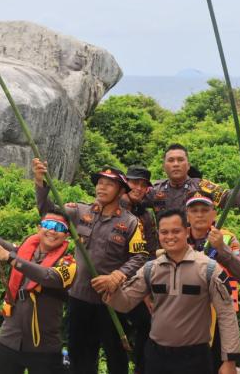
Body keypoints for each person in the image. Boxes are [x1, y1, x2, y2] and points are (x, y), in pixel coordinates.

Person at [33, 159, 148, 374]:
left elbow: (140, 255)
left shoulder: (131, 222)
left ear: (121, 190)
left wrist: (118, 275)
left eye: (109, 184)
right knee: (79, 355)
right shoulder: (79, 211)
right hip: (79, 298)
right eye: (100, 182)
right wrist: (40, 183)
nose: (102, 187)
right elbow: (48, 212)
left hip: (111, 300)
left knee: (116, 356)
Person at [103, 208, 240, 374]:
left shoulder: (209, 269)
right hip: (157, 356)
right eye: (164, 232)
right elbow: (125, 304)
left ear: (187, 231)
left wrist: (229, 361)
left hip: (195, 358)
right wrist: (112, 288)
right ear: (158, 235)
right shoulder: (151, 269)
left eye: (176, 231)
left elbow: (226, 314)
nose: (169, 237)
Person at [0, 194, 77, 374]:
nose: (52, 231)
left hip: (44, 346)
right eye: (48, 225)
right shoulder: (22, 250)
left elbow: (48, 276)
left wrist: (11, 259)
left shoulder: (69, 263)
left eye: (59, 227)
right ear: (39, 228)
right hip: (10, 338)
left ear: (66, 235)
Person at [186, 193, 240, 373]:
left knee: (216, 365)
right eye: (194, 210)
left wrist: (221, 249)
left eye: (205, 210)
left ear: (214, 214)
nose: (199, 215)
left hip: (220, 315)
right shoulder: (178, 238)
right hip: (186, 314)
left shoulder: (227, 238)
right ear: (187, 216)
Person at [144, 144, 240, 215]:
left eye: (180, 160)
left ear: (188, 165)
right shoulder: (156, 189)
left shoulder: (202, 185)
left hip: (198, 248)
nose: (176, 164)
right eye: (171, 160)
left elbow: (226, 198)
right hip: (165, 247)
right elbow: (134, 198)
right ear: (164, 166)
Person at [119, 165, 156, 374]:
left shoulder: (146, 215)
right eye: (134, 183)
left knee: (148, 322)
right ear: (125, 183)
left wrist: (146, 289)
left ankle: (140, 368)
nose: (139, 188)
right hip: (110, 279)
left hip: (136, 281)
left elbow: (151, 251)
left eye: (143, 185)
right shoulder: (112, 206)